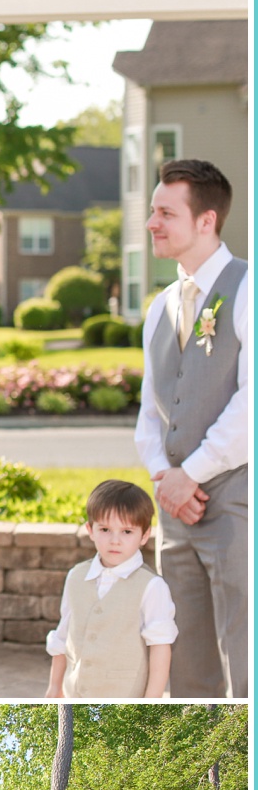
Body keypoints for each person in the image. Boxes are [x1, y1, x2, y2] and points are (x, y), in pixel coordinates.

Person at [135, 157, 248, 699]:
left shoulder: (248, 290)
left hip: (237, 500)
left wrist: (192, 474)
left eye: (165, 212)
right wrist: (165, 477)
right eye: (152, 212)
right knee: (187, 664)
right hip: (176, 509)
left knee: (245, 652)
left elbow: (252, 403)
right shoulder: (159, 308)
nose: (151, 223)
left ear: (206, 220)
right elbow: (149, 413)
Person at [45, 477, 176, 700]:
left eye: (126, 532)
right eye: (105, 529)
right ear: (91, 529)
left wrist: (151, 701)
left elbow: (160, 647)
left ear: (144, 535)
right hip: (74, 695)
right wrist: (54, 687)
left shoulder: (152, 587)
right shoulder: (76, 576)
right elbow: (62, 637)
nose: (115, 540)